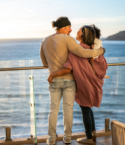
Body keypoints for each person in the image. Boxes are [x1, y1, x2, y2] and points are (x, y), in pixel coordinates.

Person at [40, 17, 105, 145]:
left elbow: (44, 63)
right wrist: (101, 51)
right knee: (68, 110)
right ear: (63, 28)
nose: (71, 30)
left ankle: (51, 139)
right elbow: (83, 53)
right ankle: (67, 138)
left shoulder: (44, 41)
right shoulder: (68, 39)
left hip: (53, 79)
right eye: (69, 27)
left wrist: (53, 69)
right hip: (69, 80)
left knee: (53, 109)